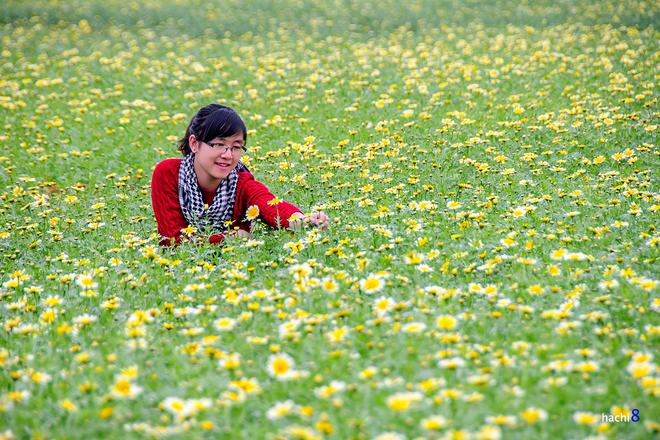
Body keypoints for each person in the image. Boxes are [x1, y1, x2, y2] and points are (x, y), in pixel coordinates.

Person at [151, 103, 329, 247]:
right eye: (219, 144)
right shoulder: (169, 174)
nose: (228, 155)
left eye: (236, 147)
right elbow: (172, 240)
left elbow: (268, 203)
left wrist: (302, 220)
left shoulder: (241, 182)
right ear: (194, 144)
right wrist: (228, 238)